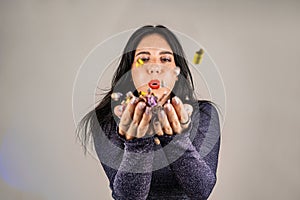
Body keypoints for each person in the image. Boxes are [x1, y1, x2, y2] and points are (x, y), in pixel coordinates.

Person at [76, 25, 221, 200]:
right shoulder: (106, 120)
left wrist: (175, 139)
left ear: (177, 73)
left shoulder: (203, 114)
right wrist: (138, 143)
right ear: (130, 72)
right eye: (144, 59)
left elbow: (201, 190)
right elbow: (128, 197)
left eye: (165, 59)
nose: (154, 68)